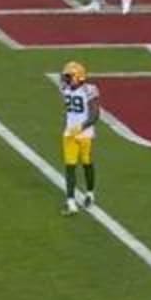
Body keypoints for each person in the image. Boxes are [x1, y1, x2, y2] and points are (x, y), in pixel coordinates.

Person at [59, 61, 99, 215]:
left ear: (78, 77)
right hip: (70, 133)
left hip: (85, 133)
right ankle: (70, 201)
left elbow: (95, 114)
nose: (66, 79)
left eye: (69, 76)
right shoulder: (65, 88)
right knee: (70, 166)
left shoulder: (89, 90)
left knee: (87, 163)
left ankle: (90, 193)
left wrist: (81, 127)